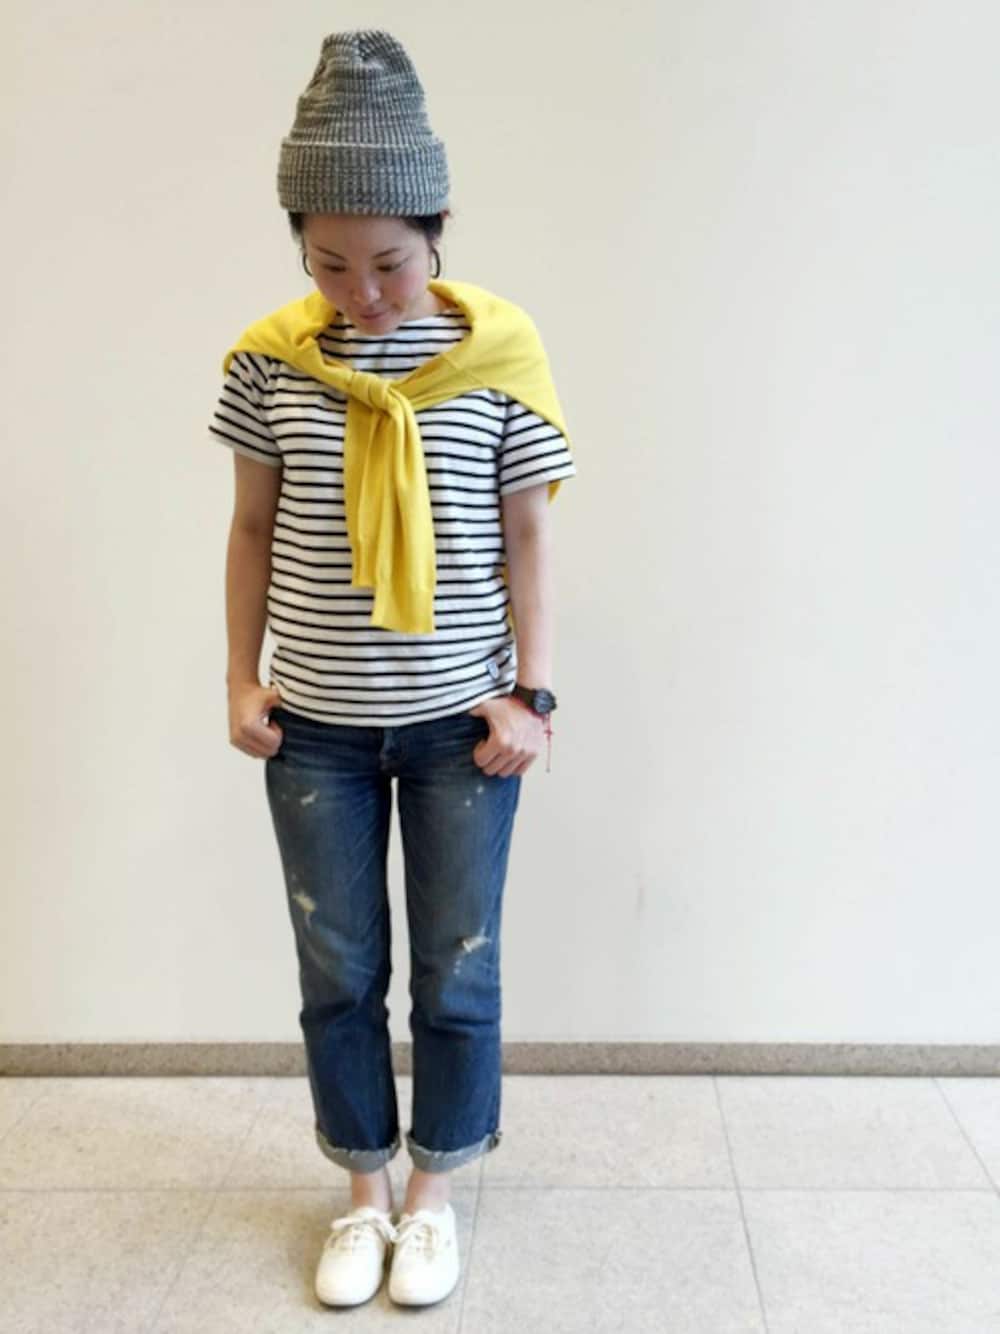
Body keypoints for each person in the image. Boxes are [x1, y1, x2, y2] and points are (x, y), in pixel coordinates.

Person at [208, 28, 575, 1309]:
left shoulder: (501, 357)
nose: (359, 293)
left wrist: (534, 693)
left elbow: (528, 533)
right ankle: (362, 1191)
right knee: (337, 974)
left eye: (388, 263)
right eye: (327, 263)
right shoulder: (269, 360)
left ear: (437, 232)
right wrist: (240, 677)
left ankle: (433, 1195)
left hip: (460, 726)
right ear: (297, 244)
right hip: (312, 722)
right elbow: (250, 527)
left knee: (457, 973)